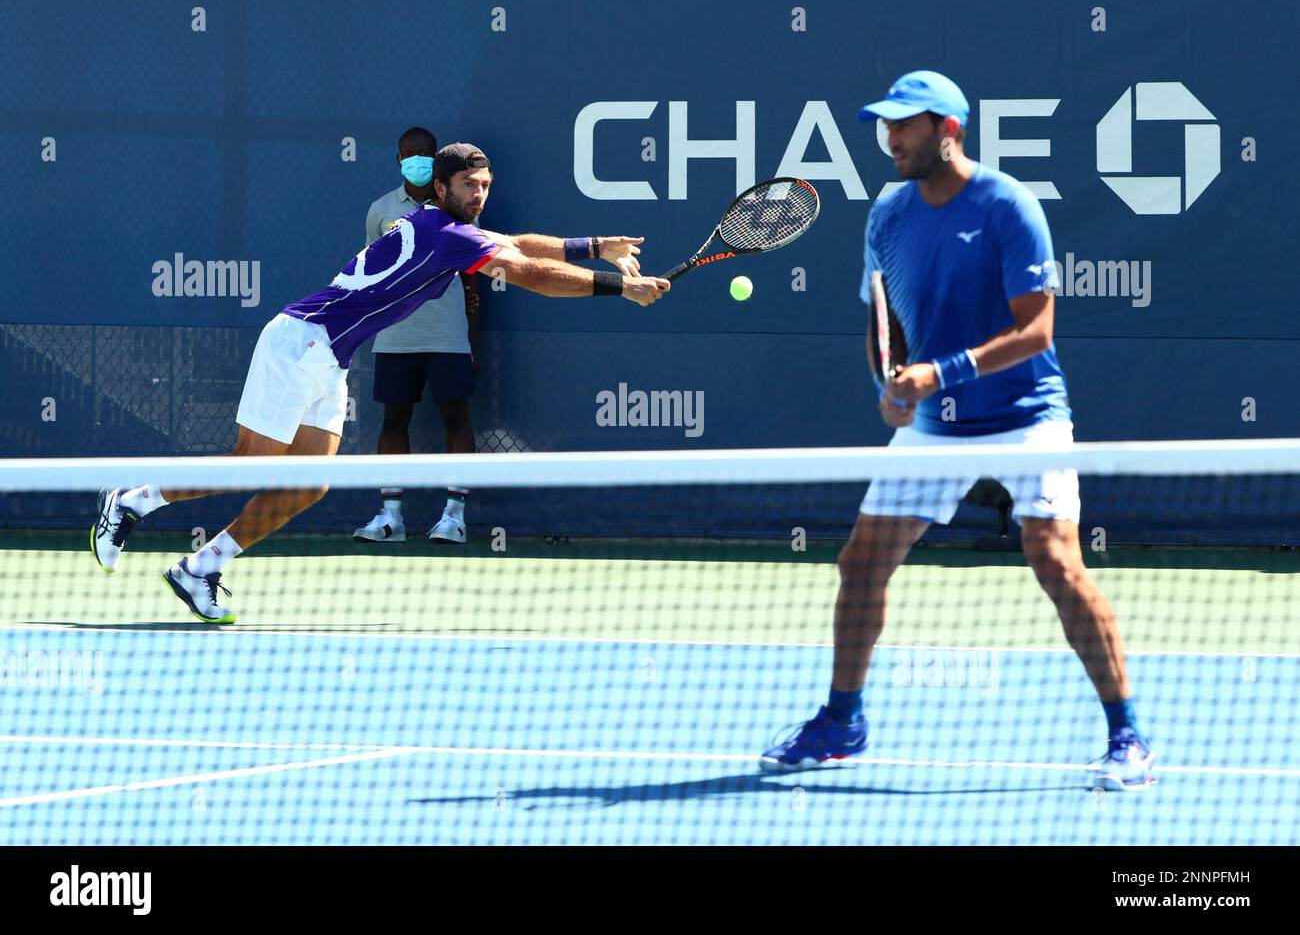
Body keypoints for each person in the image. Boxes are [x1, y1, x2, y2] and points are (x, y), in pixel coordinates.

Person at [758, 72, 1154, 791]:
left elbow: (1037, 331)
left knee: (1058, 564)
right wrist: (891, 388)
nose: (891, 137)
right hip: (936, 424)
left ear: (950, 129)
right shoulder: (887, 214)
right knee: (861, 563)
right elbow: (888, 327)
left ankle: (1127, 733)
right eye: (886, 124)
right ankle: (843, 720)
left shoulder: (1008, 205)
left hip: (1028, 417)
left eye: (906, 125)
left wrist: (937, 375)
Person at [91, 143, 667, 625]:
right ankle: (132, 500)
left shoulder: (451, 228)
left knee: (307, 486)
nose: (479, 194)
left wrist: (596, 247)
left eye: (485, 185)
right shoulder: (449, 234)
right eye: (469, 185)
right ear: (439, 188)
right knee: (251, 464)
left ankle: (201, 568)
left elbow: (513, 243)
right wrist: (621, 289)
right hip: (300, 341)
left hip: (329, 356)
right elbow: (525, 271)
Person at [352, 126, 483, 545]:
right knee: (394, 420)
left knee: (455, 417)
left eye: (425, 154)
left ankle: (455, 518)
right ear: (398, 161)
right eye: (410, 154)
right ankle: (391, 518)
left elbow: (472, 280)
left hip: (447, 335)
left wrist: (472, 340)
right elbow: (372, 276)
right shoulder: (380, 211)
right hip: (395, 337)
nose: (418, 160)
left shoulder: (460, 207)